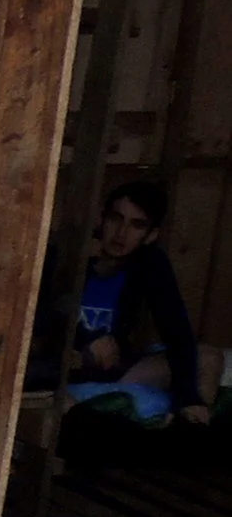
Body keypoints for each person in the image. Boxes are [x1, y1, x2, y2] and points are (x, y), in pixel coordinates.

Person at [34, 180, 211, 424]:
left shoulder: (149, 264)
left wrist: (189, 398)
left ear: (151, 235)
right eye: (116, 219)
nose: (121, 233)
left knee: (207, 359)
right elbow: (38, 316)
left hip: (114, 369)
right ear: (101, 219)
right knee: (62, 402)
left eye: (137, 225)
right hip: (61, 366)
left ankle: (184, 434)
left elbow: (176, 329)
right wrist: (83, 338)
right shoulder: (68, 254)